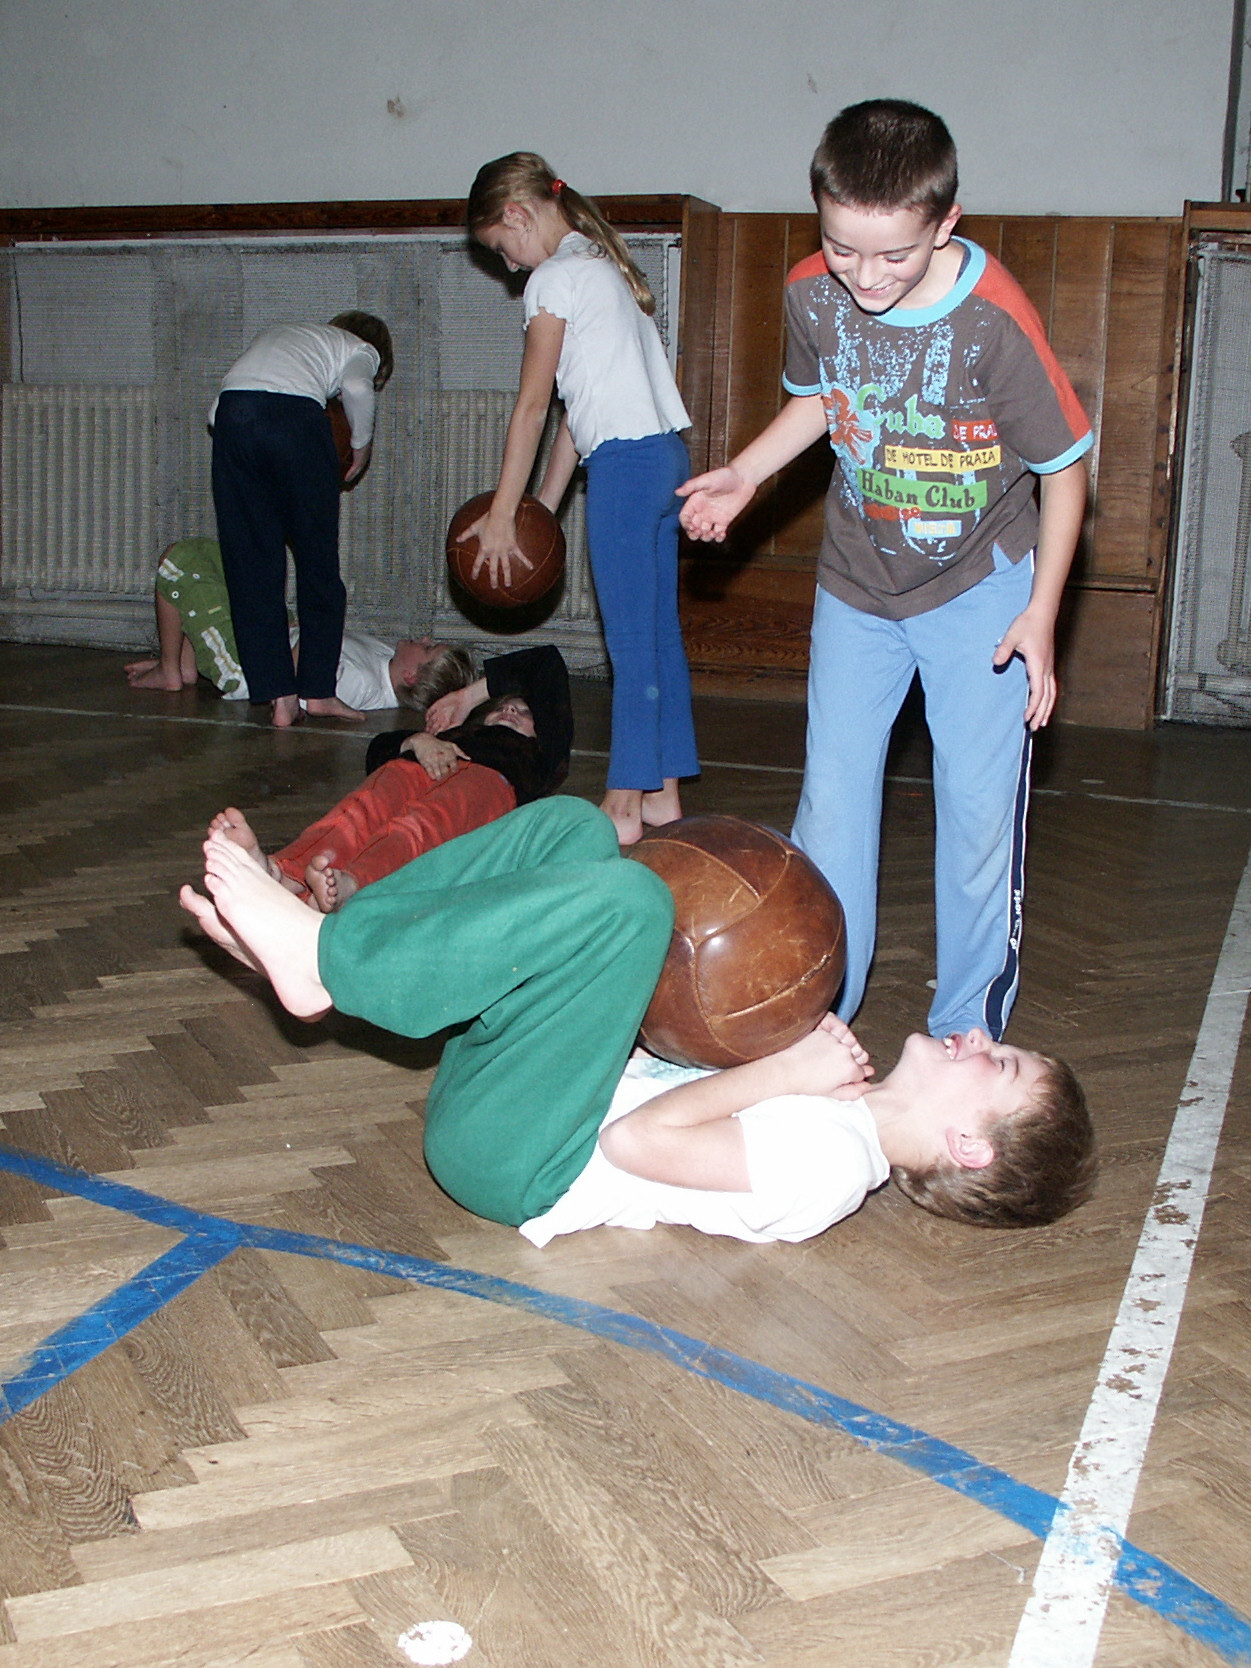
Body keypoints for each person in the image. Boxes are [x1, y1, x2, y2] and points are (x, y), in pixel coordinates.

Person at [180, 796, 1096, 1239]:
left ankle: (326, 967)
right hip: (536, 1092)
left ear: (969, 1147)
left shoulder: (831, 1168)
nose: (981, 1039)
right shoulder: (839, 1096)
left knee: (628, 903)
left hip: (524, 1163)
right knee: (574, 832)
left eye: (1001, 1065)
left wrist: (782, 1072)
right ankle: (330, 938)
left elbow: (635, 1143)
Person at [678, 101, 1093, 1044]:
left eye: (892, 256)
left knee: (976, 813)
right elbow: (822, 400)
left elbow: (1065, 471)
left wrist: (1040, 613)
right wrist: (746, 472)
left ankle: (966, 1026)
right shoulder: (812, 292)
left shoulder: (991, 323)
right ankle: (821, 1009)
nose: (864, 277)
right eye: (841, 248)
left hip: (982, 590)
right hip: (857, 582)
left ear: (945, 224)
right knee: (829, 802)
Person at [464, 152, 697, 846]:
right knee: (657, 635)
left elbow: (532, 407)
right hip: (665, 460)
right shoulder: (603, 266)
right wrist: (539, 507)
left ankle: (623, 801)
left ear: (517, 215)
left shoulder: (552, 279)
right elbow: (576, 413)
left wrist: (501, 514)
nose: (510, 266)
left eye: (502, 248)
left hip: (625, 469)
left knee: (630, 643)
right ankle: (663, 793)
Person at [214, 644, 572, 912]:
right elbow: (376, 754)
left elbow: (547, 663)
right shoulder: (454, 736)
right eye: (503, 708)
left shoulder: (542, 754)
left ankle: (353, 884)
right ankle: (282, 873)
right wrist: (417, 741)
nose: (510, 710)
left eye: (524, 712)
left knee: (421, 825)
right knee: (360, 809)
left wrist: (468, 696)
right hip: (422, 763)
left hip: (490, 782)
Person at [209, 311, 393, 728]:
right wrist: (361, 449)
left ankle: (280, 697)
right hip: (294, 423)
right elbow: (357, 387)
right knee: (317, 566)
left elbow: (215, 412)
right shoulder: (361, 348)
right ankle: (318, 691)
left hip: (233, 417)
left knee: (252, 568)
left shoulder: (282, 334)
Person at [124, 537, 474, 714]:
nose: (424, 638)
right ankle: (184, 662)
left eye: (428, 648)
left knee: (178, 561)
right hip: (270, 635)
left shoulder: (363, 685)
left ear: (411, 676)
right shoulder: (388, 660)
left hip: (246, 662)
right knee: (231, 560)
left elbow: (299, 681)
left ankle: (170, 670)